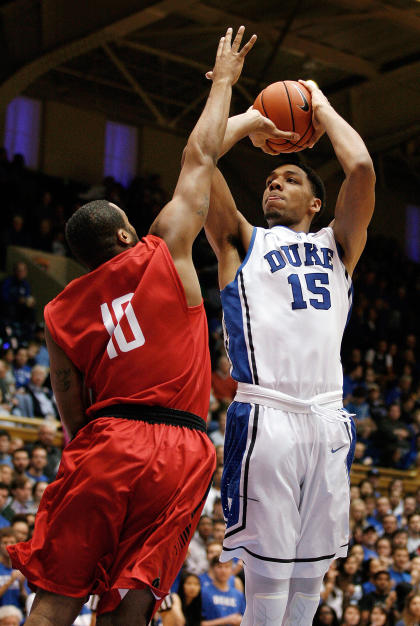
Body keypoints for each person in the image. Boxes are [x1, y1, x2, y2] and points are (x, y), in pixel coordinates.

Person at [7, 26, 258, 626]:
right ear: (124, 235)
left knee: (56, 597)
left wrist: (84, 443)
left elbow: (68, 394)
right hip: (181, 446)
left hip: (107, 436)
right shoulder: (163, 248)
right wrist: (225, 85)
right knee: (134, 601)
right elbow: (199, 156)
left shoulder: (58, 309)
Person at [203, 78, 375, 625]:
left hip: (328, 418)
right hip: (266, 412)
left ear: (316, 202)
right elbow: (199, 158)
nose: (273, 185)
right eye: (271, 180)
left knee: (310, 578)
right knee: (269, 581)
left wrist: (319, 105)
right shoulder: (242, 239)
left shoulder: (338, 245)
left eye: (290, 178)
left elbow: (363, 170)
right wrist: (250, 118)